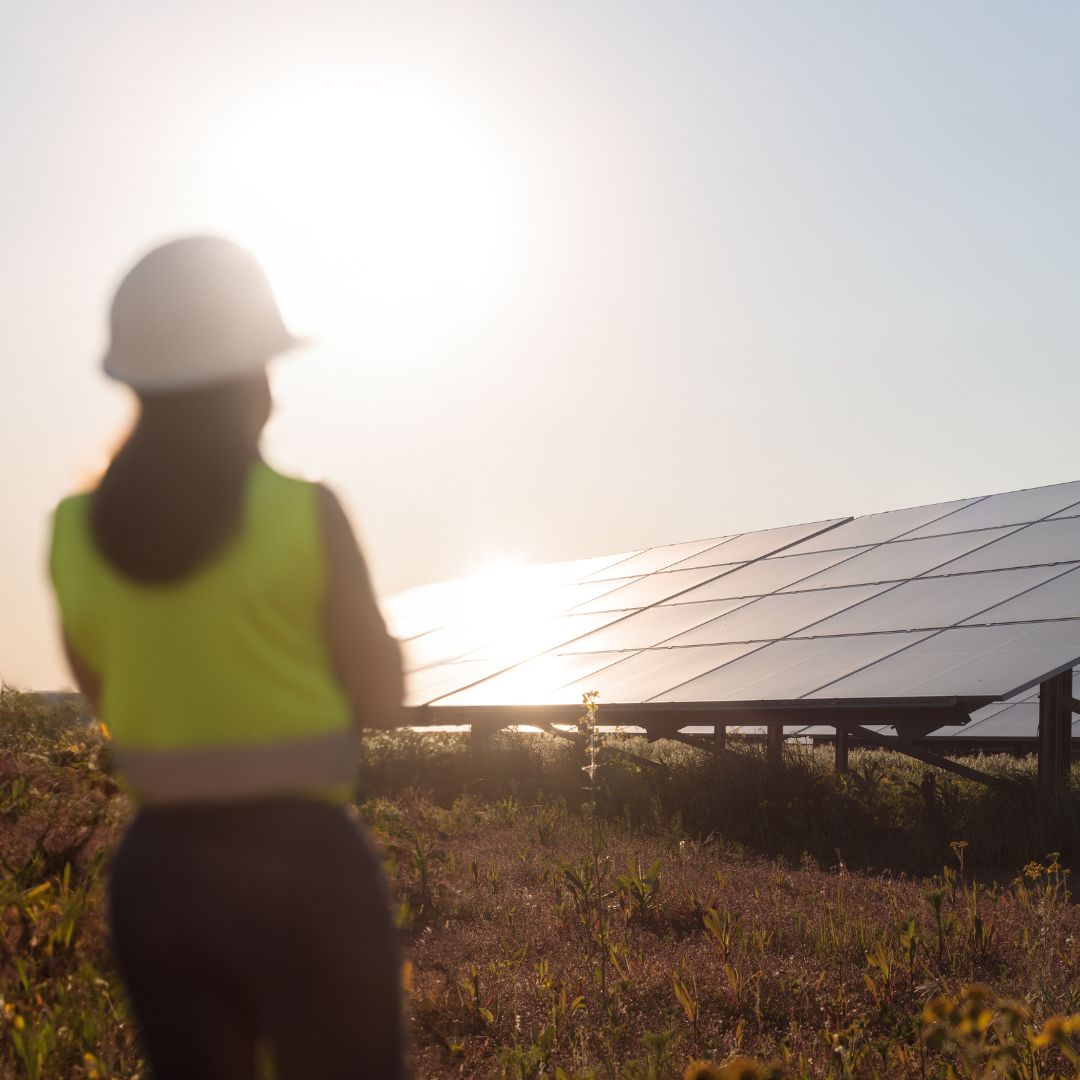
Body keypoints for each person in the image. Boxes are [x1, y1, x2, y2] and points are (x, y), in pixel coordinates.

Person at [47, 236, 407, 1079]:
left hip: (158, 880)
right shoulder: (305, 514)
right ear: (255, 380)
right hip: (309, 871)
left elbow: (103, 690)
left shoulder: (73, 536)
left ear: (134, 381)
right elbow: (383, 699)